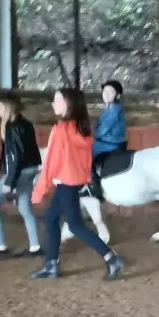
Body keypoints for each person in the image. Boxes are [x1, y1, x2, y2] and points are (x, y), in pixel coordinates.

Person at [31, 87, 125, 280]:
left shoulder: (61, 130)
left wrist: (40, 189)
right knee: (50, 218)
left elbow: (51, 163)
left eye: (57, 100)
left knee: (75, 225)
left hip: (65, 182)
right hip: (73, 181)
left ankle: (111, 259)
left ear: (69, 104)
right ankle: (51, 264)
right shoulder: (80, 127)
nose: (53, 104)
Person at [0, 95, 42, 258]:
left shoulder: (12, 126)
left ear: (7, 107)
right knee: (25, 208)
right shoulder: (25, 123)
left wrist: (10, 181)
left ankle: (0, 246)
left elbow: (16, 155)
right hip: (30, 169)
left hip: (19, 172)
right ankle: (35, 246)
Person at [89, 79, 127, 201]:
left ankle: (96, 189)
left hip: (109, 145)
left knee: (84, 158)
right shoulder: (109, 109)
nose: (106, 94)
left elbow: (101, 131)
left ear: (118, 95)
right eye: (105, 91)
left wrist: (93, 132)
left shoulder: (114, 110)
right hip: (105, 143)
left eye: (110, 92)